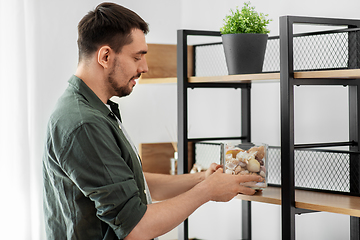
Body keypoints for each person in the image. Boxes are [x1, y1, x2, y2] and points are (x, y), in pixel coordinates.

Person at [42, 2, 263, 240]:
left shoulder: (92, 111)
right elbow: (136, 227)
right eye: (137, 57)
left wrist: (200, 178)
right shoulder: (84, 124)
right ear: (105, 56)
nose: (145, 67)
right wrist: (206, 191)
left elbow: (131, 185)